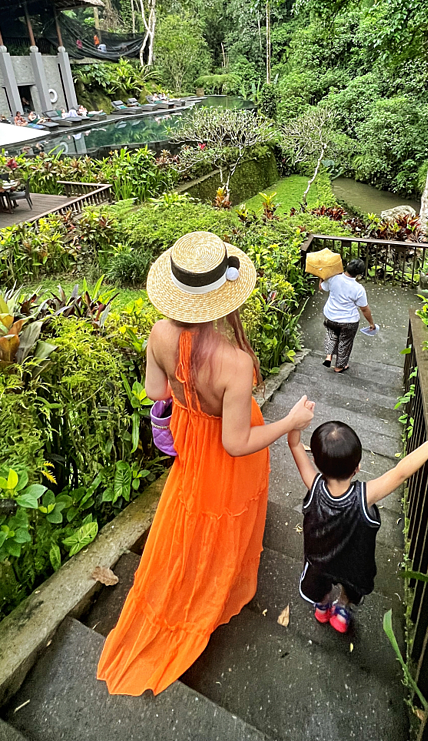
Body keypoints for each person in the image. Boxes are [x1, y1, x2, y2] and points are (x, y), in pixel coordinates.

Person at [97, 231, 315, 695]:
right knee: (223, 516)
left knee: (192, 512)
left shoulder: (158, 332)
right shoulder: (234, 361)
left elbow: (156, 391)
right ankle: (217, 586)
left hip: (191, 440)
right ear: (222, 298)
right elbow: (237, 443)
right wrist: (289, 421)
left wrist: (187, 401)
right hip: (224, 453)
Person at [288, 421, 428, 634]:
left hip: (319, 560)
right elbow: (400, 473)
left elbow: (295, 445)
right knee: (351, 586)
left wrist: (295, 424)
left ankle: (323, 605)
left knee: (319, 582)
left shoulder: (313, 483)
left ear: (316, 462)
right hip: (352, 564)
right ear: (357, 467)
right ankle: (342, 609)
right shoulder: (365, 496)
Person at [318, 257, 377, 373]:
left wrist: (321, 277)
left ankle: (329, 355)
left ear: (347, 265)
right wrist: (371, 323)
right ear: (359, 274)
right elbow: (364, 309)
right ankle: (339, 366)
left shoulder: (334, 278)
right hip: (348, 321)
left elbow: (321, 287)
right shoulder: (359, 289)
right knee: (345, 342)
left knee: (331, 334)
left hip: (330, 316)